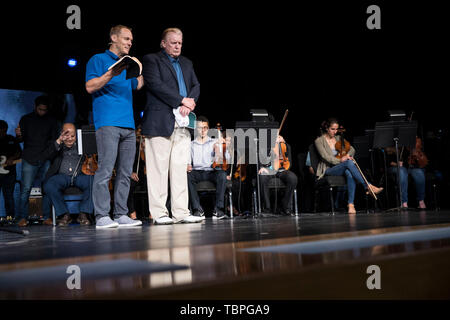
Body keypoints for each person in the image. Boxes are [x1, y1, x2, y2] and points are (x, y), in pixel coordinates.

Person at [141, 27, 203, 225]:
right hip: (160, 120)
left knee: (179, 169)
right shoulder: (152, 60)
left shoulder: (187, 62)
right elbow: (155, 85)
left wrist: (190, 101)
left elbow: (196, 85)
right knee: (158, 169)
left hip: (182, 122)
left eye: (180, 43)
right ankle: (159, 213)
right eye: (173, 42)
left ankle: (181, 212)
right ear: (163, 43)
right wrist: (181, 100)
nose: (177, 46)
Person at [85, 24, 144, 228]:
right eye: (126, 39)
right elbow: (90, 86)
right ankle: (102, 216)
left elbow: (138, 85)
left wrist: (138, 68)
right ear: (113, 37)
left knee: (126, 172)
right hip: (108, 123)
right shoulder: (98, 60)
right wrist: (111, 73)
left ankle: (121, 214)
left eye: (131, 40)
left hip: (128, 124)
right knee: (106, 170)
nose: (130, 43)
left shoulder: (127, 65)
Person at [315, 118, 383, 214]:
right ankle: (368, 186)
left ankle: (351, 205)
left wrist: (347, 155)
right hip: (328, 169)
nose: (335, 131)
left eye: (336, 129)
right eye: (332, 129)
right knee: (348, 163)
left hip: (341, 167)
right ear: (327, 128)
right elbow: (325, 157)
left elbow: (352, 149)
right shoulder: (319, 141)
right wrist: (341, 160)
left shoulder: (339, 138)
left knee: (349, 173)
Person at [15, 95, 59, 227]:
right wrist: (18, 135)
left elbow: (53, 142)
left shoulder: (52, 121)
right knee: (26, 189)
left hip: (45, 158)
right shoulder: (25, 119)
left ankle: (46, 217)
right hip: (29, 158)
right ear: (35, 107)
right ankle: (22, 218)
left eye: (44, 110)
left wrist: (48, 157)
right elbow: (20, 140)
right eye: (40, 109)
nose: (42, 112)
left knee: (46, 189)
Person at [42, 123, 93, 226]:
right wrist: (59, 140)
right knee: (49, 185)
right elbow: (46, 156)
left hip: (80, 176)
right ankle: (64, 215)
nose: (70, 139)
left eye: (73, 136)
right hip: (62, 177)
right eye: (67, 135)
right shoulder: (57, 145)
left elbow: (92, 157)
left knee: (93, 181)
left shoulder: (82, 145)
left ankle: (83, 214)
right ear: (62, 134)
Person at [187, 117, 230, 219]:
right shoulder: (191, 144)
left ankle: (218, 209)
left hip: (211, 171)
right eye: (200, 128)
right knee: (188, 175)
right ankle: (197, 209)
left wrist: (223, 148)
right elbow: (188, 161)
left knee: (222, 175)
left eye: (205, 128)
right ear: (196, 129)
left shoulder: (214, 142)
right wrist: (187, 165)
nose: (202, 130)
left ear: (208, 128)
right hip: (197, 172)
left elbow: (226, 159)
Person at [258, 135, 298, 215]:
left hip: (281, 170)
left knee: (292, 178)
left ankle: (285, 206)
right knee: (262, 177)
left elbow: (288, 160)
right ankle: (267, 208)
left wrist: (284, 143)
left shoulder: (282, 144)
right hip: (269, 169)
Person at [0, 120, 22, 222]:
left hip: (9, 174)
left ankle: (10, 217)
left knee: (8, 196)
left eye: (3, 130)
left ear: (6, 129)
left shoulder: (11, 139)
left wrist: (12, 158)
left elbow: (19, 153)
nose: (1, 133)